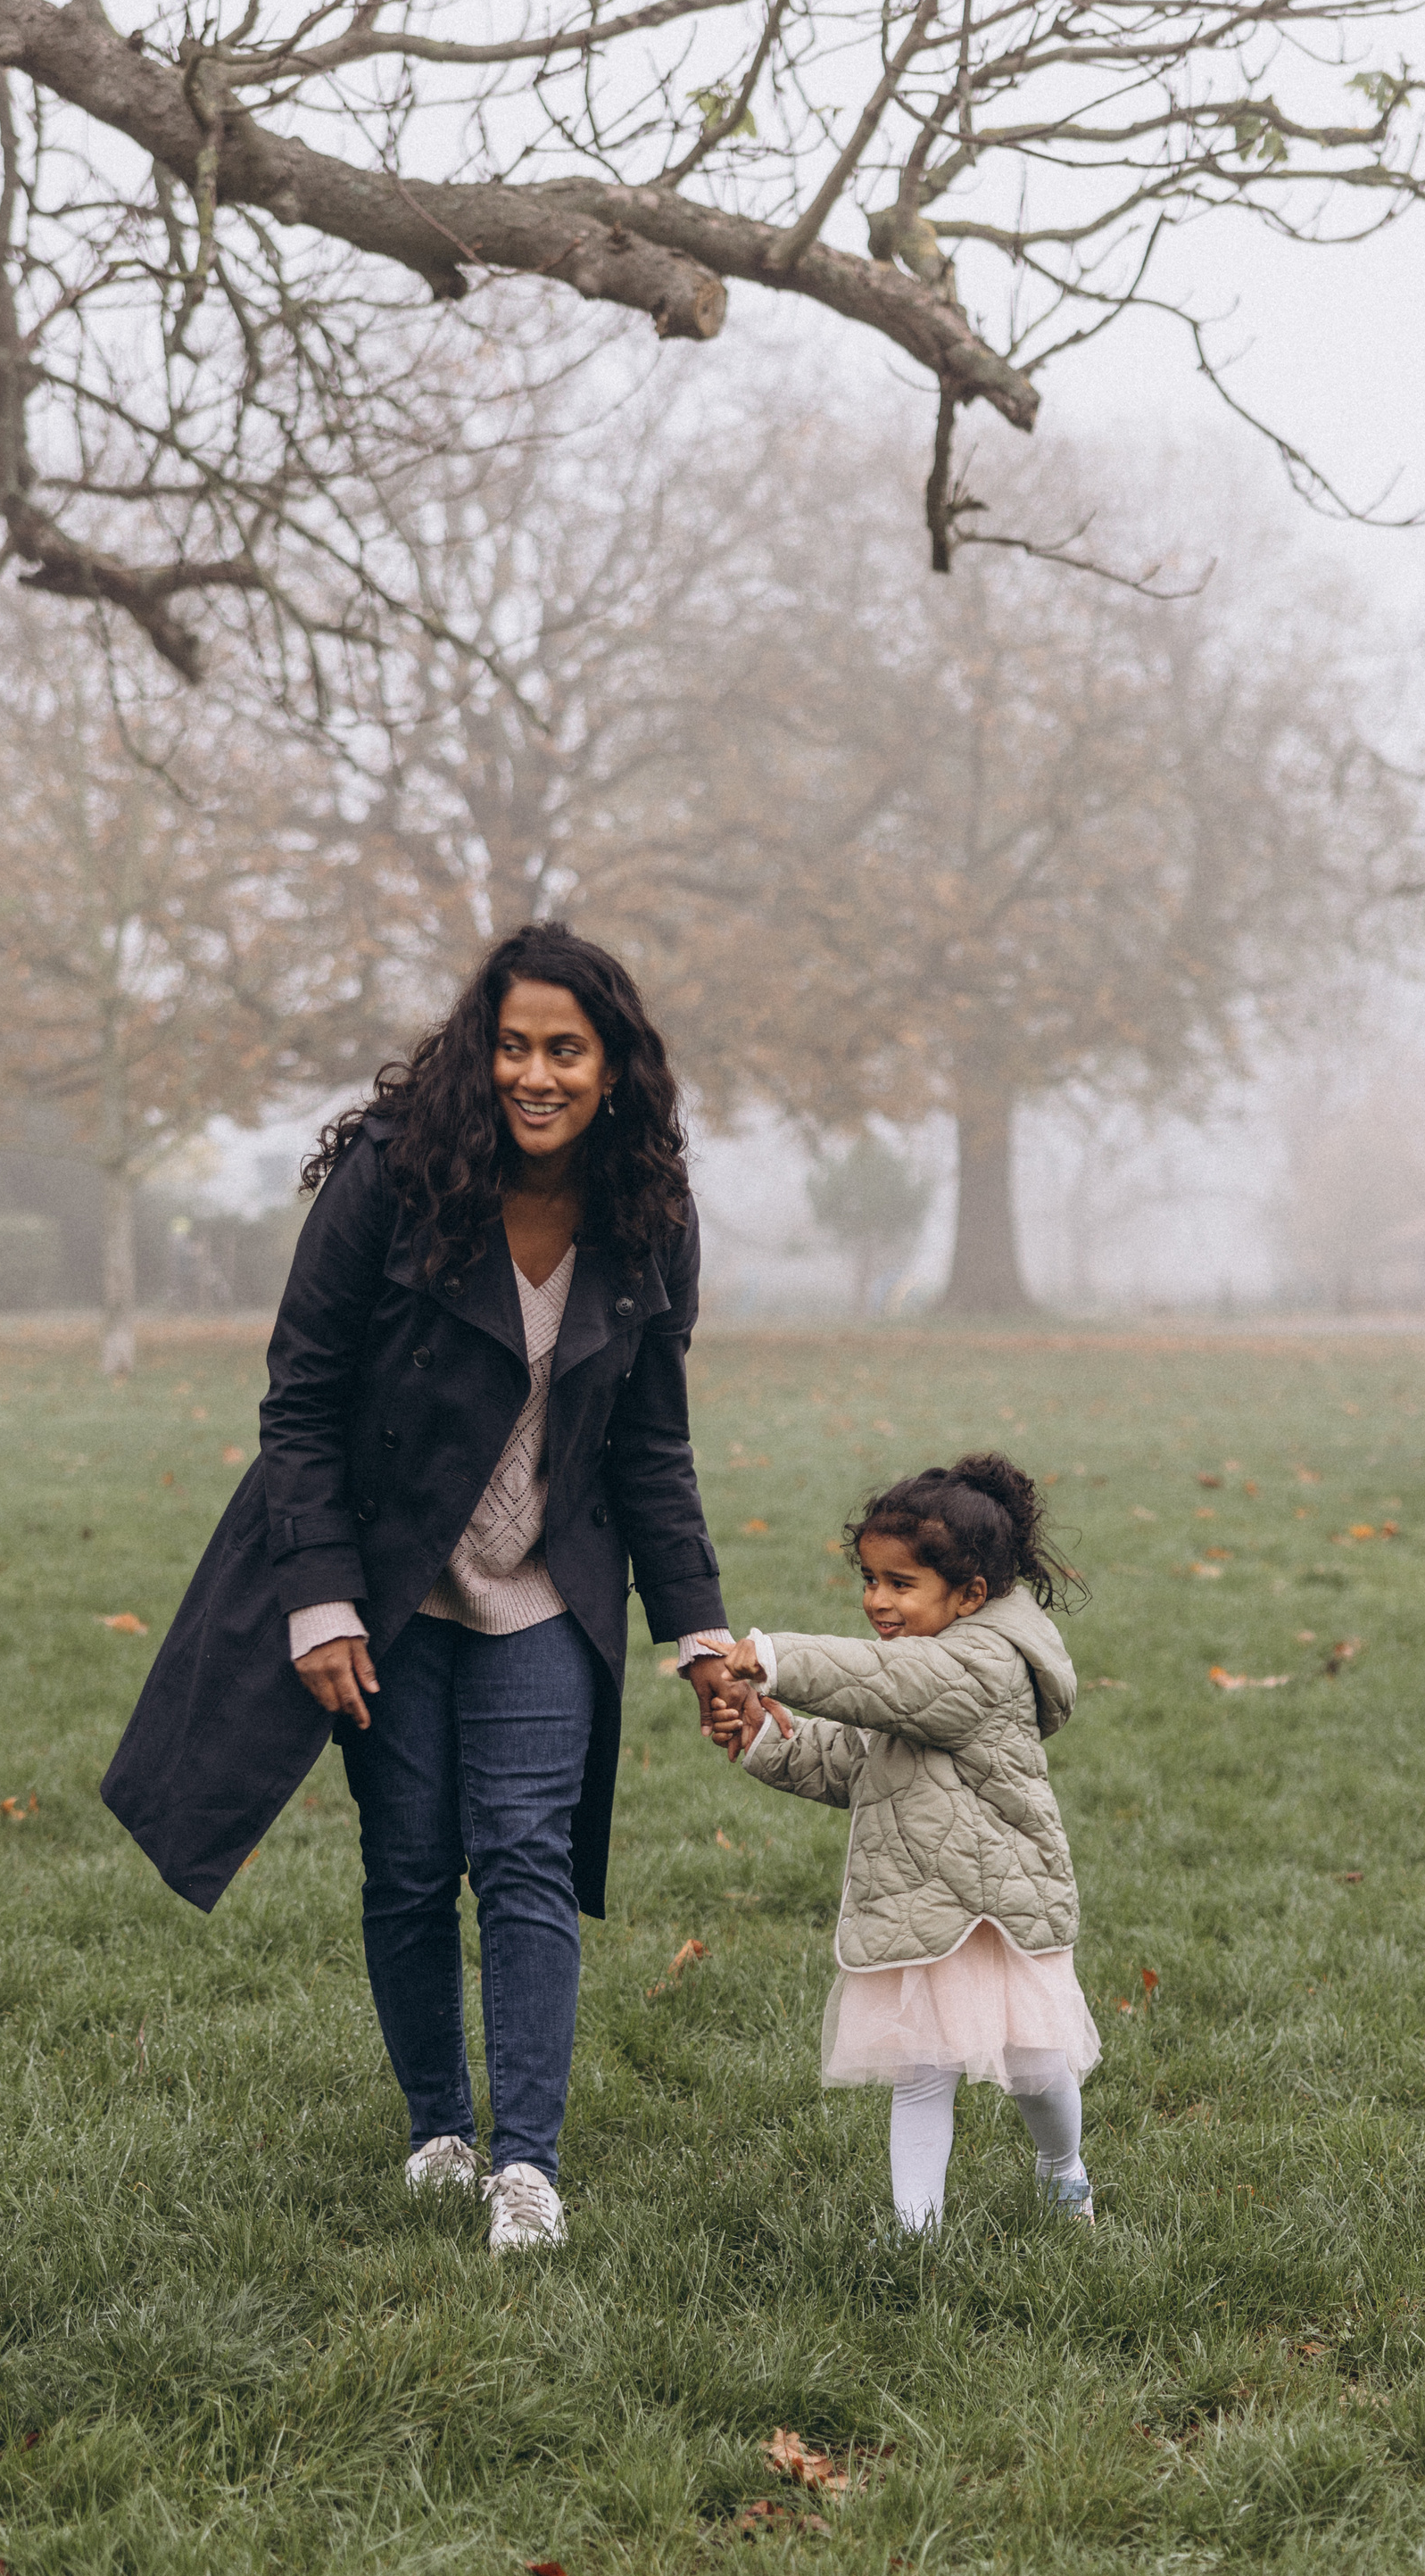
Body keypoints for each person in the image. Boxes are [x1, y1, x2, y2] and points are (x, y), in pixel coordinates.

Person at [103, 923, 746, 2251]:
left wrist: (696, 1628)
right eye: (513, 1044)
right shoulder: (398, 1178)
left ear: (613, 1062)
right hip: (391, 1587)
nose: (536, 1073)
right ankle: (437, 2132)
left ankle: (527, 2166)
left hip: (546, 1590)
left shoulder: (650, 1215)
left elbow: (652, 1441)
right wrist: (321, 1600)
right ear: (480, 1049)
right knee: (404, 1868)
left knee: (523, 1853)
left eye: (566, 1048)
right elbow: (303, 1403)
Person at [713, 1454, 1100, 2232]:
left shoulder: (981, 1665)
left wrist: (779, 1658)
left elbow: (885, 1683)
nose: (876, 1601)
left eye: (900, 1584)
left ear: (971, 1594)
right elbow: (854, 1760)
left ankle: (1063, 2173)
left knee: (1034, 2066)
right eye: (869, 1579)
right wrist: (763, 1737)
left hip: (997, 1905)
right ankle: (914, 2241)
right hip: (925, 1903)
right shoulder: (922, 1666)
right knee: (921, 2072)